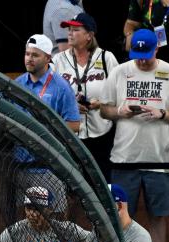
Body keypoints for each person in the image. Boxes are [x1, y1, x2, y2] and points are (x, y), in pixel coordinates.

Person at [99, 28, 169, 242]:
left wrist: (162, 113)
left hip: (160, 158)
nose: (141, 61)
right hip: (124, 156)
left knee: (159, 215)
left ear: (157, 49)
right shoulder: (121, 71)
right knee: (118, 214)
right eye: (137, 55)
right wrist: (120, 110)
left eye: (146, 55)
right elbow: (105, 110)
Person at [51, 13, 119, 179]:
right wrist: (70, 104)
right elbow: (49, 95)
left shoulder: (106, 58)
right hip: (70, 134)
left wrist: (101, 103)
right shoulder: (58, 60)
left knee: (104, 183)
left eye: (75, 29)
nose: (70, 33)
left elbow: (120, 93)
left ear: (89, 35)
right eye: (69, 29)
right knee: (74, 185)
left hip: (103, 134)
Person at [16, 35, 81, 133]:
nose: (29, 59)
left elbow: (74, 125)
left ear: (47, 58)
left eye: (35, 55)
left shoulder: (62, 87)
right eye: (27, 54)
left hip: (46, 147)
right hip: (19, 147)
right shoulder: (18, 83)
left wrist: (45, 133)